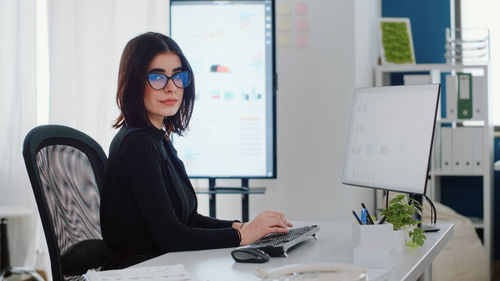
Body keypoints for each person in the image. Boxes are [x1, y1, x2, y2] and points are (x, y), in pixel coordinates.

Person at [100, 32, 292, 269]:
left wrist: (240, 227)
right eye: (157, 77)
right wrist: (245, 236)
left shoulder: (157, 138)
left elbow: (187, 219)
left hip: (163, 266)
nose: (171, 88)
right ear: (134, 82)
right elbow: (172, 237)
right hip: (141, 271)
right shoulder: (137, 143)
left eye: (177, 76)